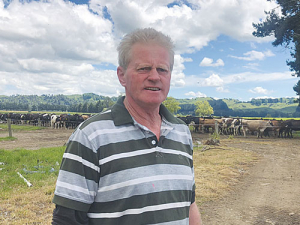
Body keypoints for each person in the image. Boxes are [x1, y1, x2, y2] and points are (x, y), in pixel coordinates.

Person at [52, 27, 202, 225]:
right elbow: (67, 220)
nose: (155, 76)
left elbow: (188, 203)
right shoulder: (91, 136)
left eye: (162, 69)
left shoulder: (181, 132)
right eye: (144, 68)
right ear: (121, 76)